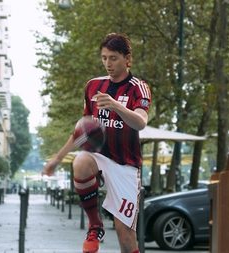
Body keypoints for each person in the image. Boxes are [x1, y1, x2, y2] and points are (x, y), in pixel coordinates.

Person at [43, 33, 151, 253]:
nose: (107, 64)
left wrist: (116, 106)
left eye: (113, 58)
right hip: (99, 155)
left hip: (125, 165)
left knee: (126, 237)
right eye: (104, 58)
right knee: (81, 162)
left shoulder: (138, 88)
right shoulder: (93, 86)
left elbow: (140, 122)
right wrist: (58, 158)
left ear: (127, 58)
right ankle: (95, 224)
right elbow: (83, 128)